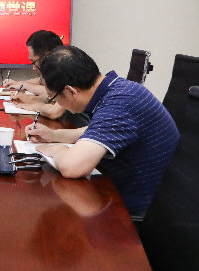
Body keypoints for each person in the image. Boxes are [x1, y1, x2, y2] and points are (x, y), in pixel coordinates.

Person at [25, 46, 179, 212]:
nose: (55, 102)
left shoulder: (119, 105)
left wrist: (55, 149)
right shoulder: (118, 89)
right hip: (117, 188)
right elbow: (94, 130)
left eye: (53, 97)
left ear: (70, 91)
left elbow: (72, 167)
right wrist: (53, 135)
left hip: (127, 208)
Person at [5, 30, 90, 127]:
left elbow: (53, 112)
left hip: (81, 130)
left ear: (48, 56)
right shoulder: (58, 71)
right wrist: (26, 99)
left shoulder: (69, 71)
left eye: (34, 62)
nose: (34, 68)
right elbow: (51, 100)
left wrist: (29, 106)